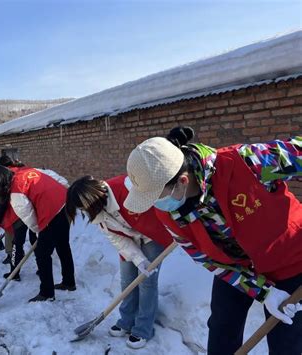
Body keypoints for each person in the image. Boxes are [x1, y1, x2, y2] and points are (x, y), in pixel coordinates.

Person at [124, 126, 302, 354]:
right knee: (221, 330)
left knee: (286, 341)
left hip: (290, 260)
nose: (155, 205)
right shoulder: (169, 213)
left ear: (182, 181)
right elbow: (205, 258)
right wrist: (263, 291)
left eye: (156, 197)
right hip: (235, 267)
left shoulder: (247, 163)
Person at [66, 175, 173, 349]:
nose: (84, 212)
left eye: (84, 207)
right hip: (128, 238)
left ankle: (143, 329)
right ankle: (126, 321)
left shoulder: (127, 188)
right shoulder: (96, 212)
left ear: (93, 198)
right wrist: (138, 259)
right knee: (127, 279)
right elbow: (116, 238)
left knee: (146, 282)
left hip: (153, 234)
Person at [0, 165, 76, 302]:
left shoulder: (16, 192)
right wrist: (66, 191)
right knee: (62, 244)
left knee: (42, 253)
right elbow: (56, 177)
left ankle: (47, 293)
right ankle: (69, 282)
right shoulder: (28, 171)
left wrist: (39, 231)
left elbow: (28, 215)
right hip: (66, 202)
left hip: (51, 211)